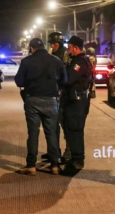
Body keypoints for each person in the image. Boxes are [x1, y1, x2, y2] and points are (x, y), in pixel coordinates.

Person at [15, 38, 67, 176]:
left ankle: (31, 166)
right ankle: (55, 165)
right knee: (52, 133)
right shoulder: (56, 60)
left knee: (33, 133)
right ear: (44, 46)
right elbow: (64, 80)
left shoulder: (27, 61)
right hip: (51, 100)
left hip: (32, 99)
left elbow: (18, 80)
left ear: (32, 48)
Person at [61, 36, 94, 174]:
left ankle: (77, 161)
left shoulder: (79, 62)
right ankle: (75, 159)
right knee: (73, 130)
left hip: (76, 102)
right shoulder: (79, 60)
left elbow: (68, 79)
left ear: (76, 47)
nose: (68, 50)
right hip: (77, 100)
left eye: (69, 48)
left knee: (74, 131)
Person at [42, 32, 71, 162]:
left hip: (64, 94)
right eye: (51, 44)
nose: (52, 46)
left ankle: (69, 153)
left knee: (65, 124)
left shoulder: (66, 55)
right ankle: (54, 152)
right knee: (52, 125)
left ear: (58, 43)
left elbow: (65, 75)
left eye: (53, 44)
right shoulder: (52, 55)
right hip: (53, 94)